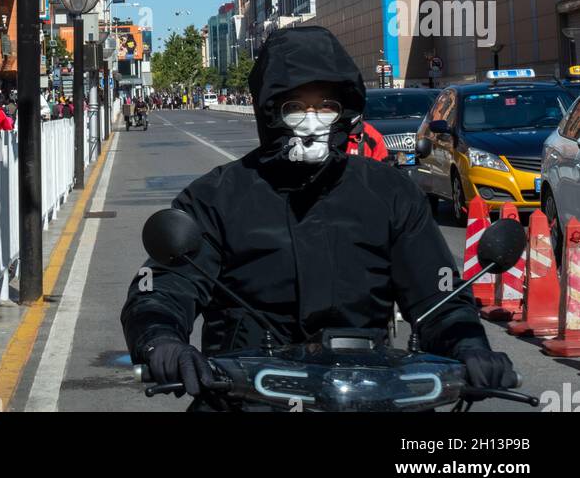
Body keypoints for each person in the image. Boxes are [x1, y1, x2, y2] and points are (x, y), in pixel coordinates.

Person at [121, 26, 516, 413]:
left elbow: (438, 296)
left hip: (370, 395)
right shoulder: (215, 197)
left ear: (345, 110)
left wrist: (469, 346)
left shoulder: (390, 192)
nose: (312, 120)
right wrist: (162, 341)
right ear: (270, 110)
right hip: (245, 397)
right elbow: (164, 287)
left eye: (326, 105)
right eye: (295, 106)